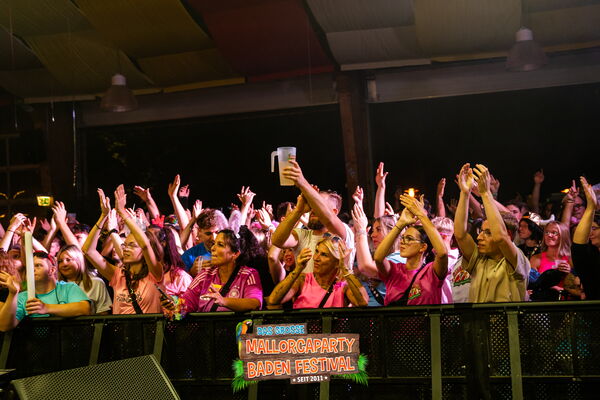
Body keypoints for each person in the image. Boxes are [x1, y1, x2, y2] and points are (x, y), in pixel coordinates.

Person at [454, 163, 530, 303]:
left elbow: (500, 237)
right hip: (478, 318)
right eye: (481, 231)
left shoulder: (517, 259)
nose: (479, 237)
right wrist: (464, 193)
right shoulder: (479, 259)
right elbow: (460, 235)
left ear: (509, 235)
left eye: (488, 233)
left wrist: (485, 193)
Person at [83, 186, 165, 314]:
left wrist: (122, 212)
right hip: (121, 327)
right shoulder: (118, 275)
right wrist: (103, 216)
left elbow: (145, 245)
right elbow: (88, 251)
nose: (126, 249)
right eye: (125, 245)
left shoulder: (155, 273)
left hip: (147, 327)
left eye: (132, 245)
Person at [271, 160, 354, 273]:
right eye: (312, 203)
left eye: (318, 205)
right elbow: (277, 241)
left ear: (334, 212)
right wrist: (298, 210)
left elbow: (329, 220)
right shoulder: (303, 235)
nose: (313, 208)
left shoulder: (342, 233)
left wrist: (301, 182)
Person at [373, 195, 448, 305]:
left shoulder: (431, 271)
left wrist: (422, 215)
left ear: (423, 247)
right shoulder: (395, 270)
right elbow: (378, 258)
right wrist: (400, 223)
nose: (403, 242)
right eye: (403, 238)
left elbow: (442, 253)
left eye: (409, 239)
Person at [169, 229, 263, 312]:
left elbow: (255, 303)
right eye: (214, 244)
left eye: (220, 245)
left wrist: (224, 301)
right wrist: (172, 306)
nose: (213, 248)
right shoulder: (205, 275)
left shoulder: (248, 275)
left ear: (235, 254)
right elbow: (186, 303)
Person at [0, 251, 91, 331]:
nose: (32, 269)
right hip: (35, 344)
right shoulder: (22, 297)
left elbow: (84, 308)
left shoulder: (68, 288)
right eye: (29, 267)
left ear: (52, 270)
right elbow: (4, 326)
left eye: (38, 265)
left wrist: (46, 308)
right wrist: (13, 294)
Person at [267, 237, 368, 308]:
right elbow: (273, 300)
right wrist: (297, 269)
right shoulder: (302, 279)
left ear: (337, 262)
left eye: (323, 255)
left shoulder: (344, 285)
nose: (316, 258)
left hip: (332, 333)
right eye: (316, 251)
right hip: (304, 332)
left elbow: (362, 303)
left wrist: (345, 268)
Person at [57, 245, 112, 314]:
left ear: (79, 260)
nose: (64, 264)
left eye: (68, 260)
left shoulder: (96, 283)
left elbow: (103, 312)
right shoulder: (56, 286)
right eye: (60, 261)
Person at [572, 177, 600, 299]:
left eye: (594, 228)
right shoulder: (591, 258)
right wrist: (590, 208)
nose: (590, 233)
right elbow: (578, 247)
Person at [180, 209, 228, 276]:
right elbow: (178, 280)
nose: (214, 238)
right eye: (208, 234)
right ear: (199, 232)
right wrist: (191, 273)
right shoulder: (189, 256)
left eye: (217, 232)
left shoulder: (231, 251)